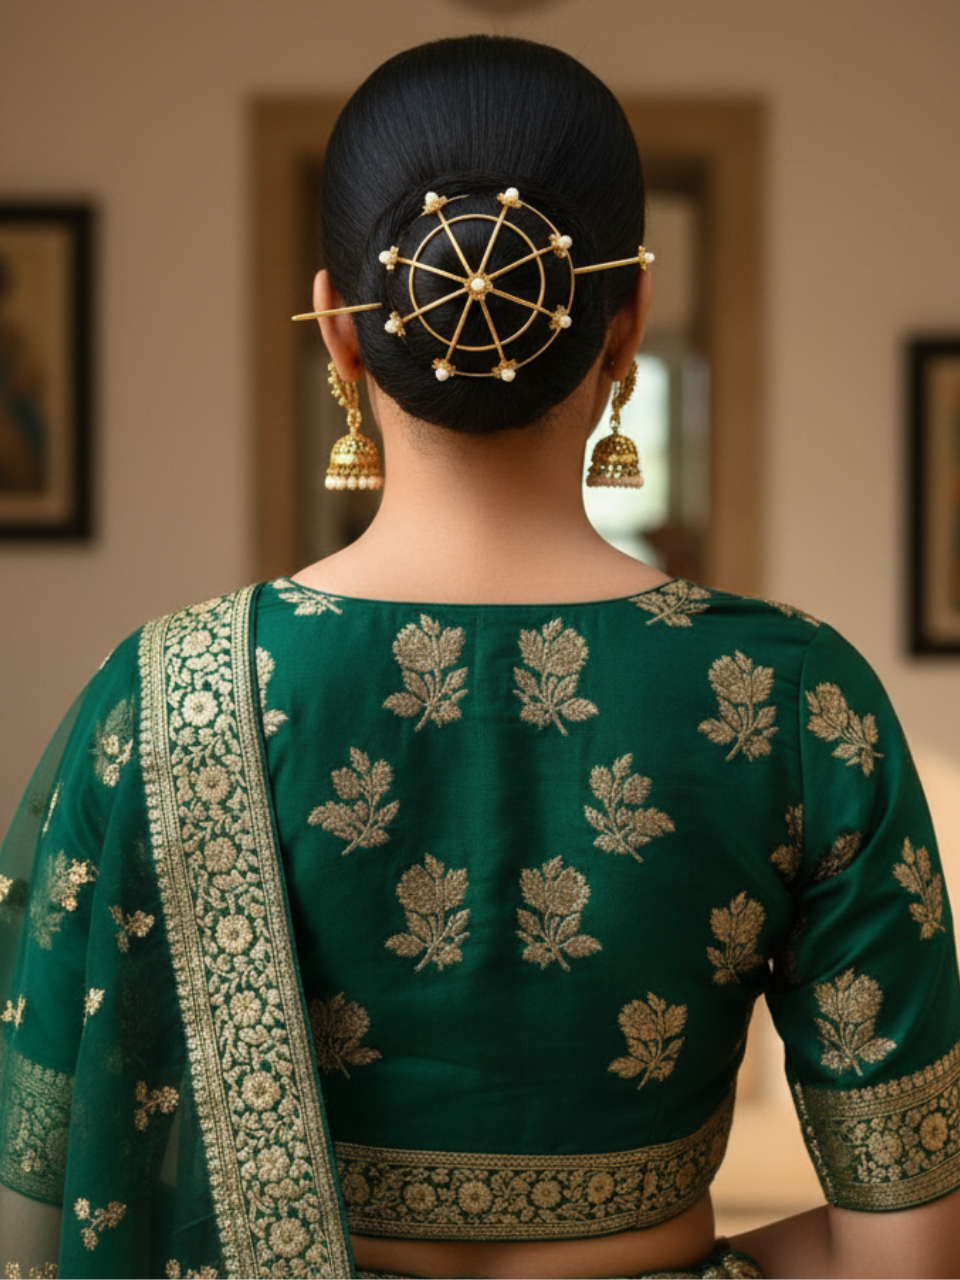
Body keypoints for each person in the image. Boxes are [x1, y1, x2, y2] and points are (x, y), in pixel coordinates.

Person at [1, 34, 959, 1280]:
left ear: (339, 329)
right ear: (629, 324)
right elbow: (909, 1253)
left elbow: (36, 1210)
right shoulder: (799, 699)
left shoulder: (161, 701)